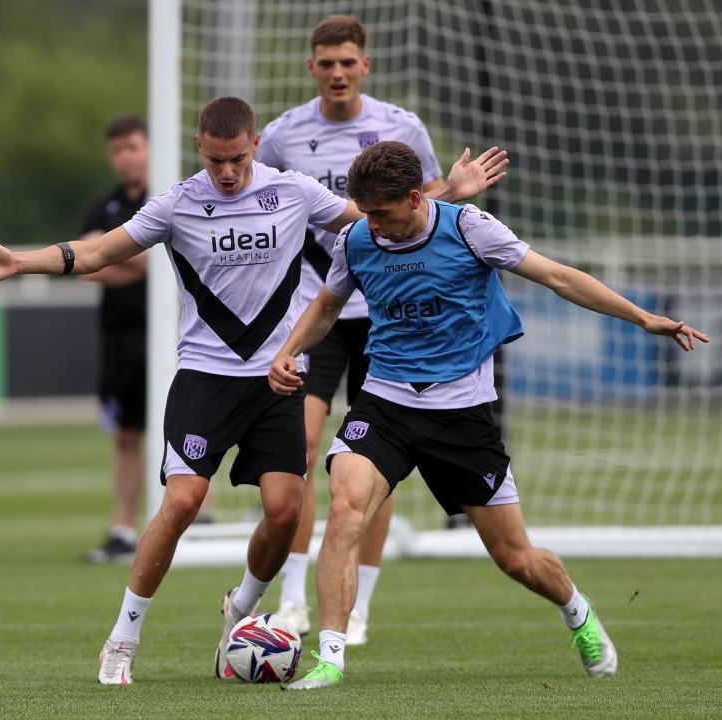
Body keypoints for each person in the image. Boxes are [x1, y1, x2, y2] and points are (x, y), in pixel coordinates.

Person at [0, 99, 505, 685]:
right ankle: (123, 637)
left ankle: (240, 609)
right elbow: (96, 252)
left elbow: (376, 220)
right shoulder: (177, 203)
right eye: (217, 161)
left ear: (256, 144)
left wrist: (451, 194)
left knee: (285, 512)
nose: (228, 172)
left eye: (238, 158)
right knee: (184, 502)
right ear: (200, 149)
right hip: (206, 378)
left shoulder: (293, 192)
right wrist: (20, 263)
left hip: (276, 380)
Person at [268, 141, 709, 689]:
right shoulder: (357, 239)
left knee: (516, 559)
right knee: (345, 511)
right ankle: (330, 659)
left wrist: (643, 318)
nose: (371, 224)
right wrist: (289, 351)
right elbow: (328, 305)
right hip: (385, 402)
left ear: (413, 198)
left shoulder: (470, 228)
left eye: (380, 213)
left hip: (462, 415)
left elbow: (558, 277)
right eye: (365, 213)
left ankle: (577, 610)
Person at [256, 15, 505, 643]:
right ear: (310, 68)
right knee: (301, 453)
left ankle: (359, 607)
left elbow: (424, 206)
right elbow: (260, 203)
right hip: (324, 311)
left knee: (376, 465)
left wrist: (458, 189)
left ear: (365, 65)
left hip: (393, 321)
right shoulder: (283, 136)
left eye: (347, 62)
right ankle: (292, 601)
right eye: (325, 63)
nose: (337, 73)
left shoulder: (402, 128)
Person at [78, 114, 150, 564]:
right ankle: (123, 528)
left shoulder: (168, 200)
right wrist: (117, 260)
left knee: (183, 430)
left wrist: (109, 260)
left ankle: (200, 517)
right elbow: (87, 266)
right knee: (125, 433)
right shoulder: (100, 208)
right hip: (119, 337)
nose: (125, 157)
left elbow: (144, 261)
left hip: (167, 333)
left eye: (133, 147)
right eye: (117, 150)